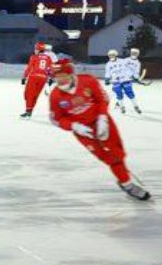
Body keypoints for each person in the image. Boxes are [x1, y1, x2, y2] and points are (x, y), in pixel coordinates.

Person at [48, 58, 150, 200]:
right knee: (108, 157)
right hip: (83, 131)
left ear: (70, 74)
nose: (60, 80)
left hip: (102, 122)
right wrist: (74, 126)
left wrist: (102, 118)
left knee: (117, 153)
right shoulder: (55, 96)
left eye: (62, 76)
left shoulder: (88, 81)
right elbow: (55, 119)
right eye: (56, 77)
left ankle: (122, 175)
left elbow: (103, 99)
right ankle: (127, 184)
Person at [20, 42, 55, 117]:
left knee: (28, 94)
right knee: (35, 95)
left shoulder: (34, 57)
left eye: (36, 49)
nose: (35, 50)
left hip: (34, 77)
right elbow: (50, 69)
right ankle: (30, 110)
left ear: (39, 49)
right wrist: (51, 78)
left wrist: (24, 77)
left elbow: (29, 68)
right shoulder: (48, 58)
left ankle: (28, 111)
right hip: (43, 78)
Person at [104, 48, 142, 114]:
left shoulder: (122, 61)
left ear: (115, 55)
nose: (111, 56)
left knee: (130, 93)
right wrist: (107, 79)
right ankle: (122, 106)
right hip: (115, 80)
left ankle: (135, 106)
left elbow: (129, 68)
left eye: (113, 55)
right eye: (110, 55)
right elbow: (108, 72)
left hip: (125, 79)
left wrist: (135, 76)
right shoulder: (108, 64)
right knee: (119, 93)